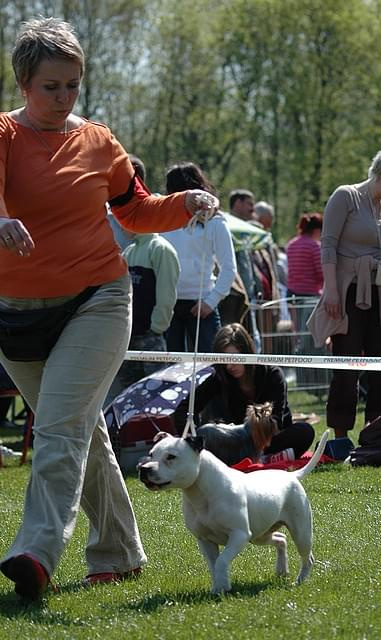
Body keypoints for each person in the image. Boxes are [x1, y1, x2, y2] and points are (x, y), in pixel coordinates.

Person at [0, 17, 218, 599]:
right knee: (81, 432)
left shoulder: (98, 140)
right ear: (24, 83)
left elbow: (137, 211)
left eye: (73, 84)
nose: (64, 96)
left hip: (98, 298)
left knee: (59, 427)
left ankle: (34, 551)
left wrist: (186, 202)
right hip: (16, 315)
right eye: (52, 86)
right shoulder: (3, 135)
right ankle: (119, 551)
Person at [307, 152, 381, 439]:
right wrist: (331, 291)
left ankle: (375, 434)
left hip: (378, 293)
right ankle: (340, 437)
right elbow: (327, 244)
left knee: (379, 367)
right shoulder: (346, 196)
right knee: (346, 368)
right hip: (347, 292)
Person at [175, 323, 315, 459]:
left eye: (235, 358)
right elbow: (184, 407)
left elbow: (276, 420)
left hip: (271, 439)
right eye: (224, 360)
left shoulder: (273, 374)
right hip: (236, 443)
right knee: (208, 433)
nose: (230, 365)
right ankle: (270, 459)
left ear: (247, 352)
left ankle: (264, 457)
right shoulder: (218, 378)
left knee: (305, 431)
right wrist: (190, 437)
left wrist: (254, 431)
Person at [163, 162, 237, 353]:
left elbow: (229, 269)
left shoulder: (216, 223)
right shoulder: (164, 220)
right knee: (168, 370)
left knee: (209, 368)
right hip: (168, 305)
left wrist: (211, 302)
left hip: (202, 304)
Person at [104, 230, 180, 405]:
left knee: (157, 398)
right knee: (127, 399)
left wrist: (156, 328)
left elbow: (166, 295)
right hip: (129, 337)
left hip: (150, 338)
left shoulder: (161, 249)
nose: (122, 226)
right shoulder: (129, 251)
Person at [287, 213, 323, 299]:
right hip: (309, 294)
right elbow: (321, 273)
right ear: (316, 230)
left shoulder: (291, 244)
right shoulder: (315, 246)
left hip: (291, 293)